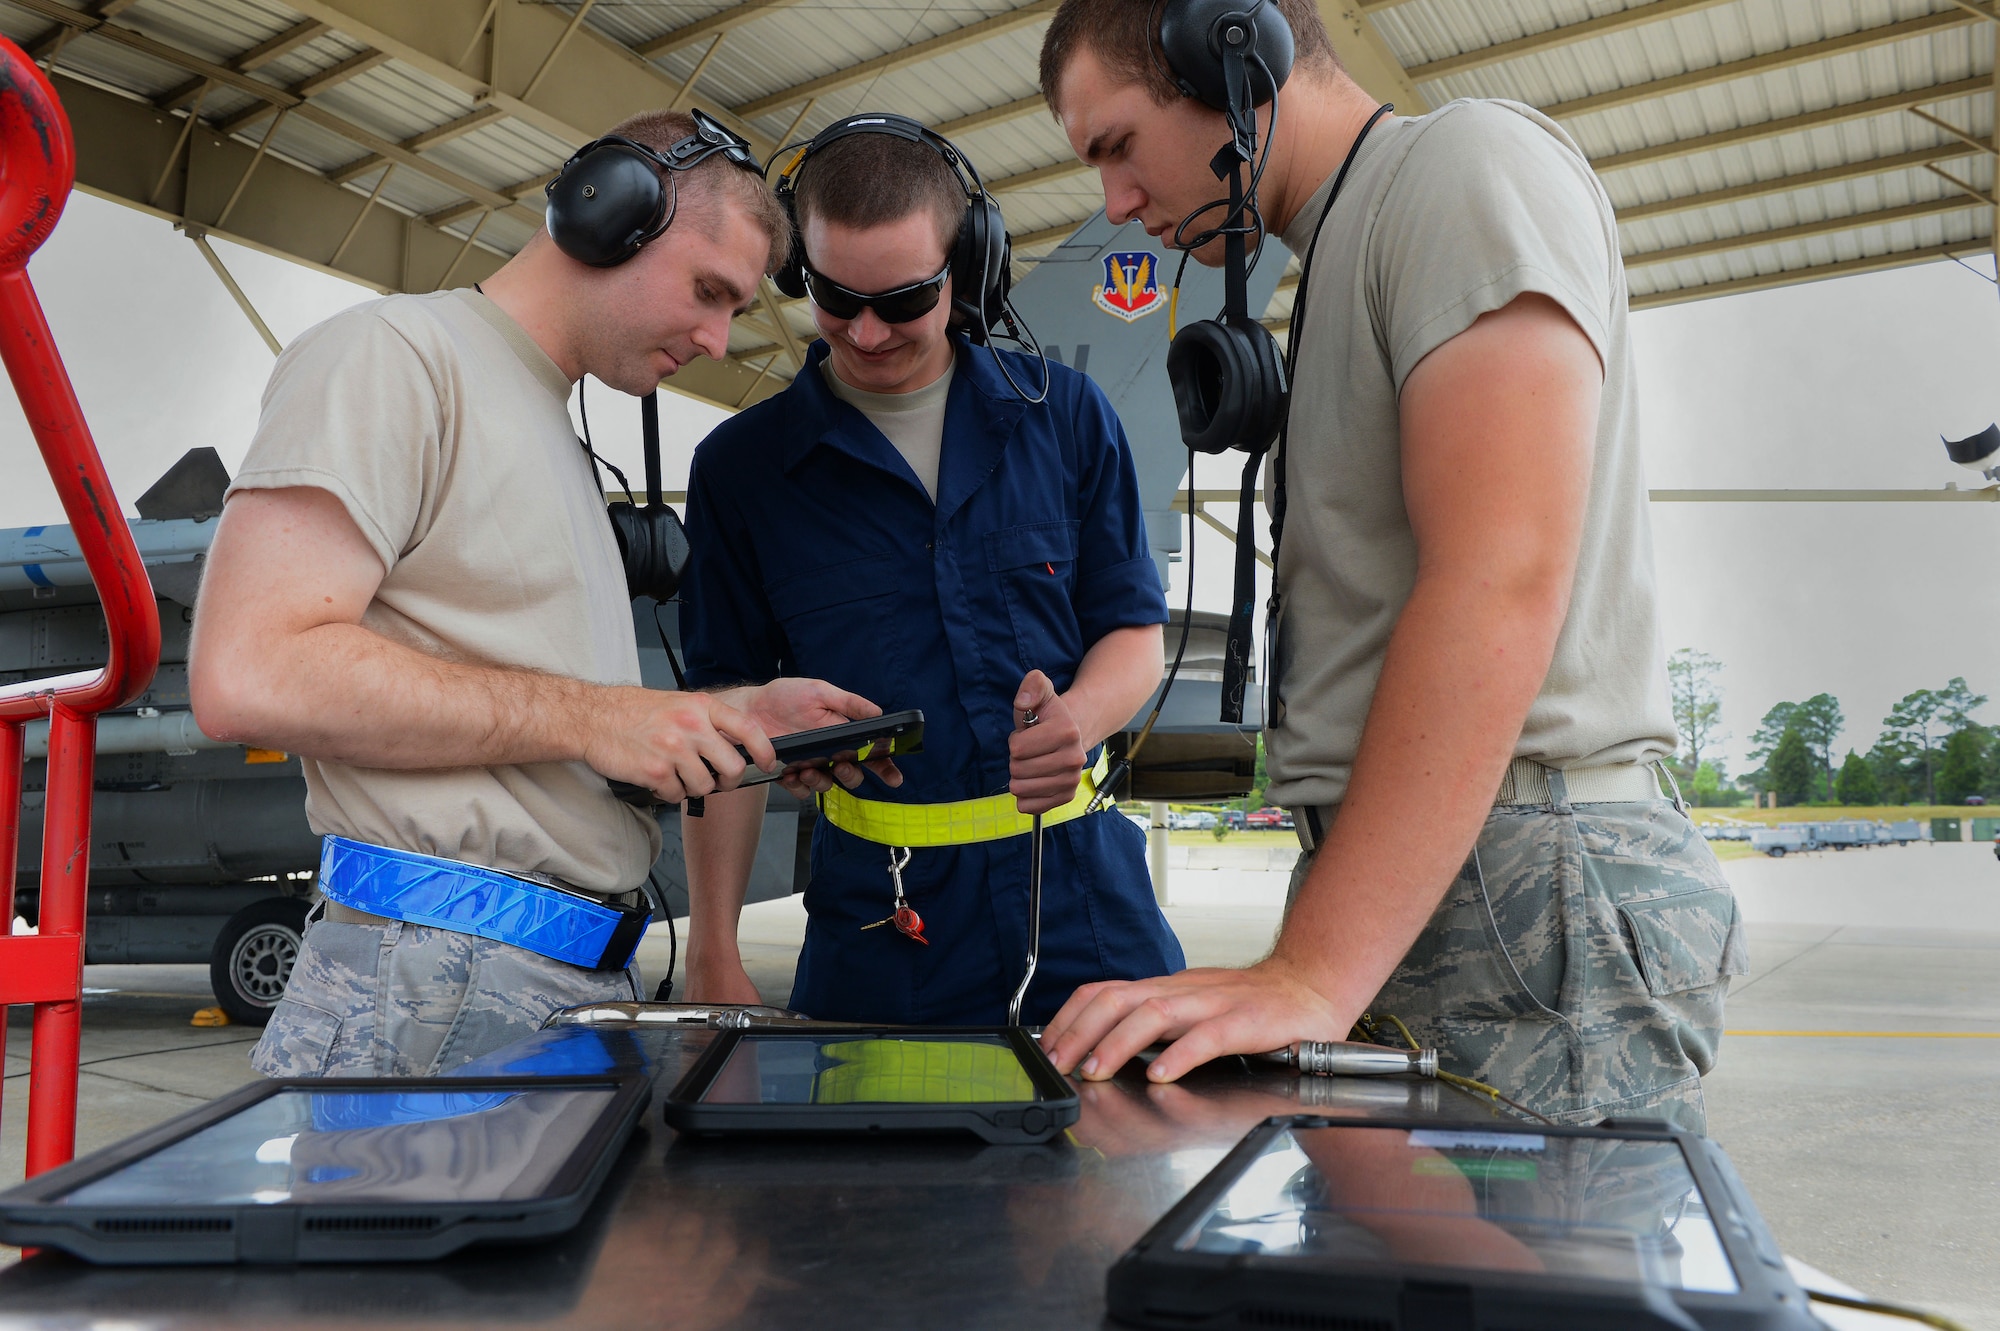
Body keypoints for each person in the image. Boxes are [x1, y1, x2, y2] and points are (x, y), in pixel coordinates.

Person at [1033, 0, 1745, 1129]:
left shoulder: (1461, 167)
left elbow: (1497, 575)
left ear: (1229, 51)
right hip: (1422, 877)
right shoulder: (1343, 247)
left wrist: (1312, 970)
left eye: (1116, 144)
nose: (1116, 205)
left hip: (1515, 880)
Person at [189, 109, 887, 1077]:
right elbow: (250, 669)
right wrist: (595, 716)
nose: (721, 340)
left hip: (544, 976)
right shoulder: (397, 355)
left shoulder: (549, 426)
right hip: (434, 974)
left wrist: (722, 717)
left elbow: (547, 723)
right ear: (608, 215)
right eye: (707, 290)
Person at [676, 114, 1184, 1024]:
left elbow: (1133, 635)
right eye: (835, 297)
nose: (865, 333)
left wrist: (1079, 719)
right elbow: (724, 716)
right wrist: (712, 943)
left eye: (904, 301)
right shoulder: (740, 471)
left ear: (968, 271)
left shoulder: (1064, 417)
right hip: (879, 927)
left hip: (1083, 912)